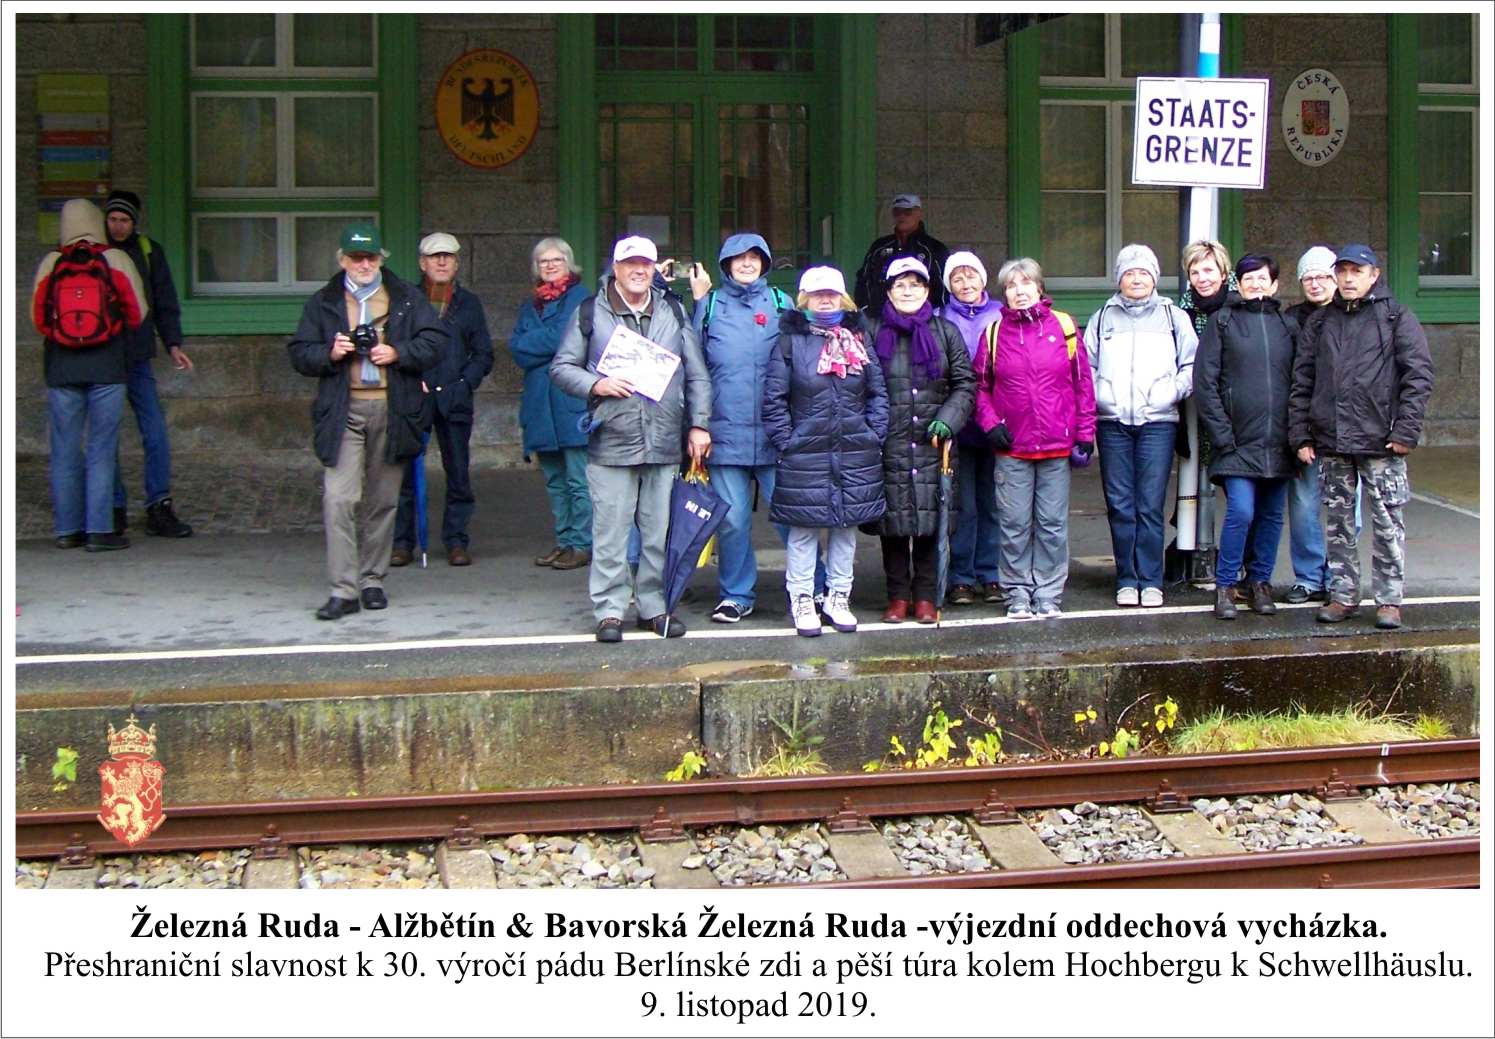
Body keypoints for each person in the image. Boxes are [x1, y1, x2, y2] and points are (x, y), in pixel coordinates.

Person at [549, 235, 711, 642]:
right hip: (611, 439)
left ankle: (654, 607)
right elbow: (561, 367)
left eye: (646, 264)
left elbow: (697, 373)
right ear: (616, 268)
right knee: (610, 533)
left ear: (655, 268)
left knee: (658, 531)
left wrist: (699, 424)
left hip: (663, 438)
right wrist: (597, 384)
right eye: (630, 263)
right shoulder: (591, 311)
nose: (639, 270)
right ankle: (609, 610)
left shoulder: (673, 309)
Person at [287, 222, 445, 621]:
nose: (364, 263)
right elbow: (299, 353)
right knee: (338, 499)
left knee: (383, 499)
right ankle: (343, 589)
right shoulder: (324, 301)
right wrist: (330, 352)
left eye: (370, 257)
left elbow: (436, 343)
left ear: (381, 259)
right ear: (342, 260)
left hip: (392, 407)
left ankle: (372, 579)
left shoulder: (406, 297)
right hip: (344, 408)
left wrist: (397, 352)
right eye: (356, 257)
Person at [1289, 244, 1434, 631]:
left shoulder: (1395, 316)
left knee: (1388, 522)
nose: (1349, 278)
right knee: (1338, 524)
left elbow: (1418, 376)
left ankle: (1388, 600)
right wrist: (1301, 433)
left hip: (1382, 441)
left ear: (1374, 274)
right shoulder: (1320, 323)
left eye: (1358, 271)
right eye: (1344, 271)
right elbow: (1302, 381)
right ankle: (1343, 595)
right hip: (1332, 440)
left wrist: (1406, 430)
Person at [763, 267, 888, 636]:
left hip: (854, 448)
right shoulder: (790, 341)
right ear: (804, 299)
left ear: (842, 297)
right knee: (804, 531)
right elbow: (774, 398)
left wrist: (873, 434)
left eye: (831, 293)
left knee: (845, 528)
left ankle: (838, 597)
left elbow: (878, 393)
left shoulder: (859, 339)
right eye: (818, 294)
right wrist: (788, 441)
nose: (825, 299)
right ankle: (803, 598)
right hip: (806, 450)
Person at [973, 258, 1095, 619]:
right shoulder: (994, 334)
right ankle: (1017, 593)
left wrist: (1085, 433)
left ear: (1039, 288)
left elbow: (1082, 385)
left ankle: (1048, 592)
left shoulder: (1065, 327)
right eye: (1012, 286)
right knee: (1013, 525)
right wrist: (990, 422)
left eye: (1026, 283)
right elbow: (980, 387)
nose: (1020, 291)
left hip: (1057, 445)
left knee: (1052, 525)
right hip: (1012, 447)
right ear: (1004, 294)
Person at [687, 232, 799, 623]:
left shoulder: (783, 304)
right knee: (732, 521)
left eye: (755, 257)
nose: (747, 264)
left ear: (766, 263)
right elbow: (694, 368)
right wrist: (697, 426)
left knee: (792, 517)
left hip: (775, 433)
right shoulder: (711, 305)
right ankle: (736, 593)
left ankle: (812, 589)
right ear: (726, 265)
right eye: (738, 258)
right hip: (725, 432)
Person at [31, 198, 148, 551]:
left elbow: (38, 319)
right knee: (101, 449)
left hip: (62, 368)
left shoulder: (51, 263)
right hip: (107, 367)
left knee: (64, 450)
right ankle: (100, 531)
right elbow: (137, 313)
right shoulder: (115, 260)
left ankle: (67, 530)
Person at [1085, 244, 1198, 608]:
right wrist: (1100, 395)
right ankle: (1126, 578)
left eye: (1144, 272)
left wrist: (1171, 392)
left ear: (1154, 277)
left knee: (1149, 504)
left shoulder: (1172, 317)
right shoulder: (1103, 317)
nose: (1136, 278)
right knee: (1120, 504)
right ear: (1119, 278)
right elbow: (1085, 367)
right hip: (1113, 422)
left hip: (1157, 423)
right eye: (1129, 273)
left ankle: (1150, 579)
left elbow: (1192, 364)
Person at [865, 256, 975, 624]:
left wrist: (947, 420)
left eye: (915, 284)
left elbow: (965, 384)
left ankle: (926, 596)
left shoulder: (945, 332)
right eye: (900, 285)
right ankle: (897, 596)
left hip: (933, 443)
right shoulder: (872, 329)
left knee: (930, 520)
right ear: (889, 291)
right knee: (893, 524)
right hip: (890, 440)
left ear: (927, 290)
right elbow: (861, 383)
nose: (907, 291)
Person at [1193, 255, 1298, 620]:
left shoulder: (1287, 324)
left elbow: (1302, 382)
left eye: (1262, 278)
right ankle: (1225, 585)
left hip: (1280, 441)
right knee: (1241, 510)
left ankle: (1259, 582)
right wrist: (1222, 435)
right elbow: (1204, 384)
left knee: (1271, 516)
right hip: (1236, 442)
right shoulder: (1223, 322)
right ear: (1238, 283)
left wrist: (1297, 435)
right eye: (1247, 278)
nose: (1255, 284)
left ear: (1274, 285)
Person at [390, 232, 494, 568]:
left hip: (454, 398)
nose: (441, 261)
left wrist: (464, 383)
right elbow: (396, 346)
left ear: (457, 262)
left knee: (459, 473)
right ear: (422, 262)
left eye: (448, 256)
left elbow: (482, 354)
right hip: (413, 397)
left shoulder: (469, 303)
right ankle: (402, 541)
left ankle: (456, 540)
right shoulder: (405, 302)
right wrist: (409, 378)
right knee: (404, 473)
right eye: (435, 256)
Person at [102, 189, 194, 539]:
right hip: (104, 357)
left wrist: (173, 344)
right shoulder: (96, 252)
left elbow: (164, 301)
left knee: (154, 431)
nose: (118, 226)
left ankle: (159, 504)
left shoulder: (149, 251)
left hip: (138, 355)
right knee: (105, 435)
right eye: (113, 219)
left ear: (134, 222)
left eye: (124, 220)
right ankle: (113, 506)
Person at [507, 237, 592, 571]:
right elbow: (516, 347)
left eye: (556, 260)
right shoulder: (530, 305)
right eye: (544, 261)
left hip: (570, 403)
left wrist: (541, 345)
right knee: (555, 482)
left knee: (578, 480)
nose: (550, 266)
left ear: (569, 263)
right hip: (540, 406)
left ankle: (582, 544)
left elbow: (564, 339)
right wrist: (549, 345)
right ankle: (564, 541)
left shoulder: (581, 298)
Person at [936, 250, 1004, 607]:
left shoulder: (1000, 315)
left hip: (994, 423)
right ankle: (960, 576)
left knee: (992, 503)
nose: (965, 284)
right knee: (962, 505)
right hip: (958, 424)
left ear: (983, 278)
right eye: (957, 278)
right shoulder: (939, 318)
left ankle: (990, 572)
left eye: (971, 276)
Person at [1276, 245, 1338, 604]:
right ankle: (1309, 577)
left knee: (1348, 511)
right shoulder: (1292, 319)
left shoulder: (1356, 314)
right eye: (1308, 277)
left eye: (1322, 276)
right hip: (1307, 429)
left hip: (1351, 432)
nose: (1315, 284)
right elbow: (1291, 380)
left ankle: (1339, 576)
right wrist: (1297, 431)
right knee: (1303, 505)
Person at [854, 193, 951, 312]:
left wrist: (936, 316)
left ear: (919, 213)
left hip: (924, 321)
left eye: (907, 212)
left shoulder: (934, 248)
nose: (901, 216)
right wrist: (865, 309)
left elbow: (945, 286)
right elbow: (863, 279)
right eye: (897, 212)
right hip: (880, 320)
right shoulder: (879, 246)